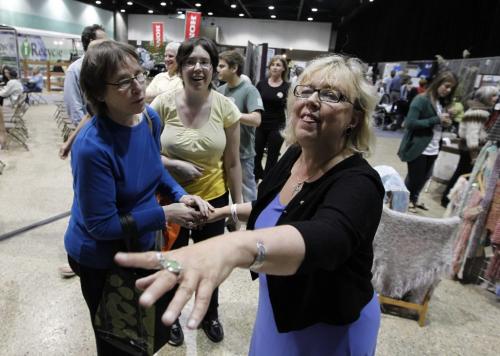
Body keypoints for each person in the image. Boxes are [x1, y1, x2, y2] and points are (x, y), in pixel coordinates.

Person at [116, 54, 384, 355]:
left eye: (331, 95)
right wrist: (221, 212)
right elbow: (275, 208)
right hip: (280, 306)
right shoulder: (296, 154)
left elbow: (328, 237)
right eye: (305, 90)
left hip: (327, 324)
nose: (311, 101)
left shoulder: (359, 183)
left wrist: (234, 247)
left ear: (355, 118)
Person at [64, 40, 211, 355]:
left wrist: (180, 195)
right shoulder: (93, 147)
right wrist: (166, 214)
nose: (138, 87)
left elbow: (153, 166)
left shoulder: (147, 118)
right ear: (99, 93)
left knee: (145, 333)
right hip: (101, 257)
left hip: (141, 241)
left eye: (139, 75)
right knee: (118, 341)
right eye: (123, 81)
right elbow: (100, 226)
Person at [150, 37, 243, 345]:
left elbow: (232, 164)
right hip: (170, 199)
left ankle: (208, 314)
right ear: (180, 66)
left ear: (215, 68)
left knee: (209, 264)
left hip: (212, 202)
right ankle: (171, 317)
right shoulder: (162, 104)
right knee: (173, 262)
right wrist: (174, 164)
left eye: (205, 62)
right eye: (191, 61)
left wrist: (235, 211)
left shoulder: (226, 108)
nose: (198, 68)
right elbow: (145, 153)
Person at [397, 71, 458, 212]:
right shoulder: (421, 99)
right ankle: (403, 201)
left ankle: (412, 199)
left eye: (451, 89)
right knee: (415, 178)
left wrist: (447, 121)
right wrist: (437, 119)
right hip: (418, 145)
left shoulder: (441, 103)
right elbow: (410, 123)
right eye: (446, 86)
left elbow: (437, 124)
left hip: (434, 145)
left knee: (424, 177)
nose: (448, 91)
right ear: (438, 83)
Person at [217, 50, 264, 202]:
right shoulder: (219, 91)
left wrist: (233, 114)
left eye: (222, 66)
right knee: (225, 189)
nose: (218, 69)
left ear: (234, 68)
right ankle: (232, 219)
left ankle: (251, 222)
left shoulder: (249, 90)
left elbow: (256, 120)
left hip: (243, 153)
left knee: (247, 191)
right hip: (221, 152)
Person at [441, 86, 499, 207]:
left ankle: (449, 199)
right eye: (493, 95)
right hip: (471, 149)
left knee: (461, 173)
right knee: (464, 175)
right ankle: (451, 200)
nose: (496, 98)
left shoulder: (475, 109)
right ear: (486, 97)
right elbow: (472, 134)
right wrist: (474, 155)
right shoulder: (479, 112)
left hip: (467, 147)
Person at [254, 55, 290, 182]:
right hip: (260, 125)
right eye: (273, 65)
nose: (275, 67)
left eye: (278, 65)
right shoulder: (261, 84)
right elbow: (254, 103)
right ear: (269, 67)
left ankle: (267, 182)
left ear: (284, 69)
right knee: (256, 155)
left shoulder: (287, 87)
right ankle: (256, 178)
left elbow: (290, 109)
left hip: (277, 126)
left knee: (272, 157)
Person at [63, 24, 107, 124]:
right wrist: (87, 130)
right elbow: (74, 106)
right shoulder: (75, 70)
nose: (107, 46)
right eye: (104, 42)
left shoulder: (107, 67)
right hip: (89, 128)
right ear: (92, 42)